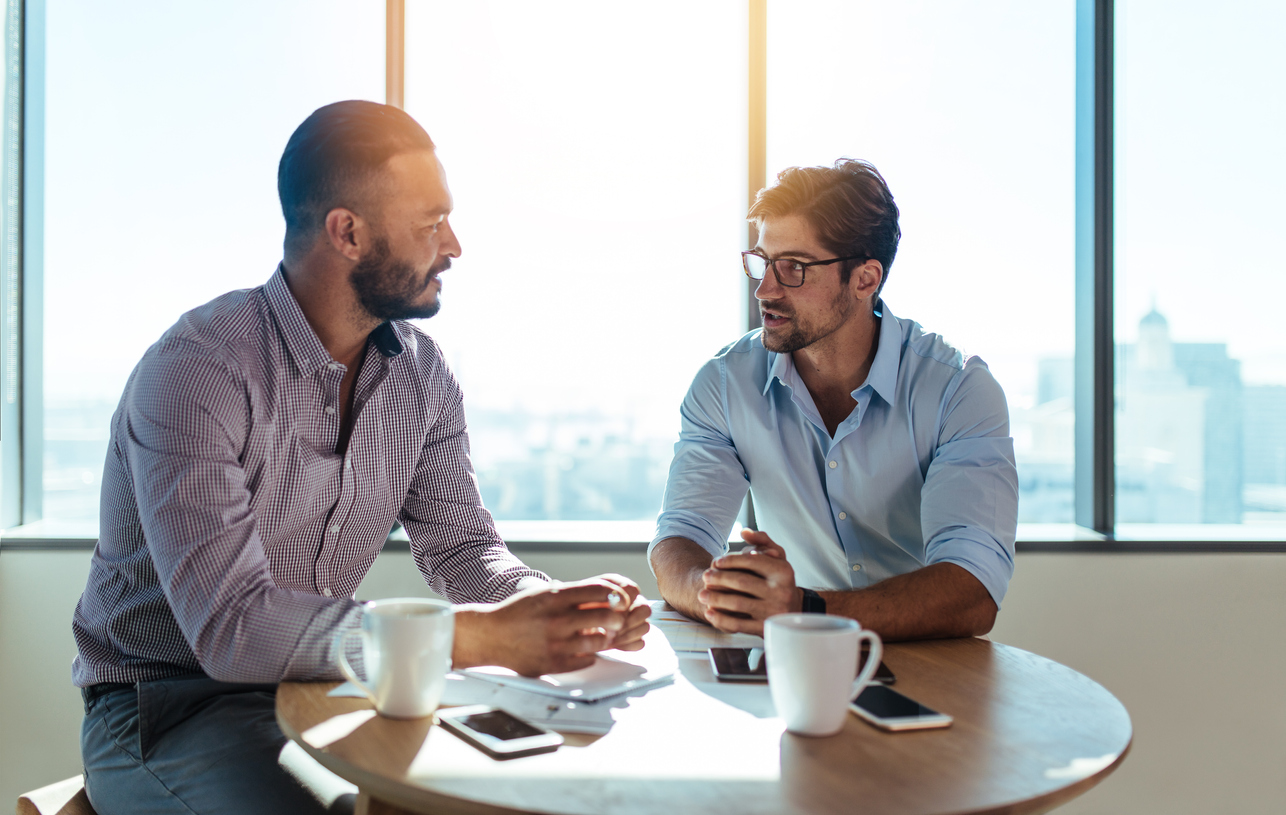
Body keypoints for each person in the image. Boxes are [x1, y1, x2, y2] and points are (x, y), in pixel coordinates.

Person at [71, 100, 650, 815]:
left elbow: (466, 550)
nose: (456, 245)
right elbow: (233, 630)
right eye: (432, 222)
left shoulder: (423, 375)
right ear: (347, 231)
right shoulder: (198, 370)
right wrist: (481, 635)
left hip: (326, 689)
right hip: (165, 710)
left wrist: (554, 606)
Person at [650, 159, 1018, 641]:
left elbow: (972, 588)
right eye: (762, 262)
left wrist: (800, 608)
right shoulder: (724, 383)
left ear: (865, 279)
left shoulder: (958, 389)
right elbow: (683, 533)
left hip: (929, 657)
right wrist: (722, 596)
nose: (765, 289)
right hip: (795, 656)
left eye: (794, 269)